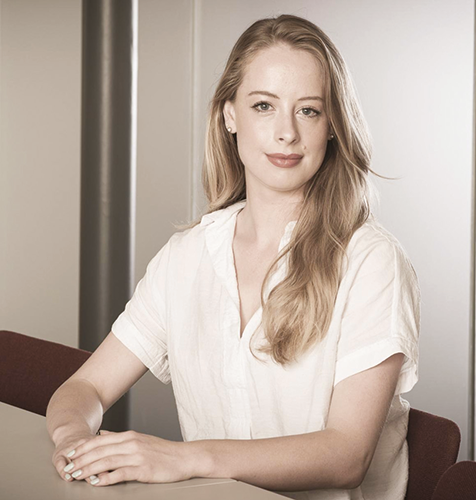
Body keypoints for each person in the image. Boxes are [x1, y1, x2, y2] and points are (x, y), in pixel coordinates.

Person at [46, 14, 420, 500]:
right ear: (229, 116)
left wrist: (182, 458)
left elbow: (346, 456)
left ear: (332, 126)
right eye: (264, 105)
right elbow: (84, 391)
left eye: (309, 110)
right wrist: (74, 440)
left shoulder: (372, 261)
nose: (286, 132)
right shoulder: (187, 256)